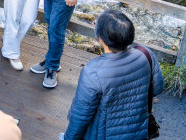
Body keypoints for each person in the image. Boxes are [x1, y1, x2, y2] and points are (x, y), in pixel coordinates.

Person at [64, 10, 164, 139]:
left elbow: (81, 116)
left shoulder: (93, 71)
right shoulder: (145, 54)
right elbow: (157, 88)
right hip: (138, 131)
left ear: (100, 38)